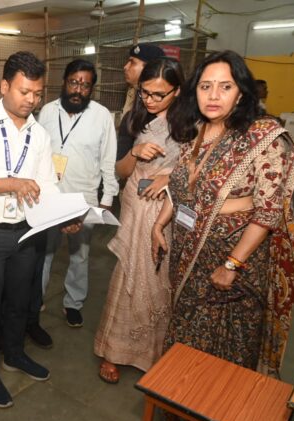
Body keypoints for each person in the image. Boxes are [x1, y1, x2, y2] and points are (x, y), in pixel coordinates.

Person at [151, 50, 294, 378]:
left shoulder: (262, 137)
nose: (213, 95)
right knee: (184, 344)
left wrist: (232, 264)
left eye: (225, 86)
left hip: (232, 270)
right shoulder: (197, 131)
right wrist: (159, 224)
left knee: (222, 357)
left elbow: (268, 211)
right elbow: (182, 187)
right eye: (205, 86)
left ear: (241, 93)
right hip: (189, 259)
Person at [0, 51, 80, 408]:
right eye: (24, 91)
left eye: (38, 93)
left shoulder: (39, 135)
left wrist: (65, 214)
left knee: (20, 300)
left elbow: (47, 183)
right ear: (4, 86)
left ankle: (13, 354)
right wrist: (11, 183)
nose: (31, 100)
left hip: (27, 230)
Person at [94, 57, 184, 384]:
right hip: (135, 204)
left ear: (177, 91)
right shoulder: (136, 119)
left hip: (169, 210)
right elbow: (120, 171)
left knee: (160, 279)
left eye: (159, 94)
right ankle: (114, 350)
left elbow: (200, 171)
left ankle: (152, 353)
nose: (150, 100)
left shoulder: (192, 124)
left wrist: (170, 177)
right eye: (145, 92)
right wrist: (135, 152)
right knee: (128, 273)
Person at [36, 59, 119, 330]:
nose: (78, 90)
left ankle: (73, 303)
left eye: (85, 85)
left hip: (83, 200)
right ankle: (36, 298)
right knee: (44, 252)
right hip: (50, 196)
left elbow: (108, 159)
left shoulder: (102, 116)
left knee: (80, 254)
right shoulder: (47, 111)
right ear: (64, 82)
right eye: (74, 82)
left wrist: (107, 199)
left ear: (91, 89)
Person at [116, 43, 165, 161]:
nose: (125, 67)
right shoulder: (131, 91)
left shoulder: (161, 106)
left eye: (132, 62)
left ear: (149, 68)